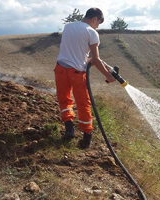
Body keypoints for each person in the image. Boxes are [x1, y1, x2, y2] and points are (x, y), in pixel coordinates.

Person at [54, 7, 115, 148]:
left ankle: (69, 129)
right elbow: (96, 59)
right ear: (94, 19)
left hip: (61, 70)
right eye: (98, 23)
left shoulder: (68, 27)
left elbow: (77, 54)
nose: (97, 26)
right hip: (76, 73)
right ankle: (87, 136)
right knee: (83, 103)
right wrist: (108, 76)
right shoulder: (92, 32)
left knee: (64, 99)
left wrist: (89, 61)